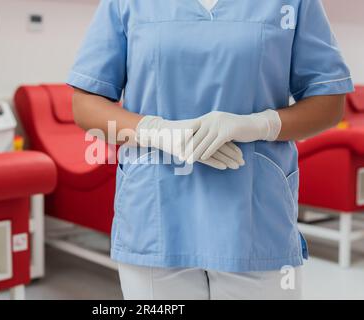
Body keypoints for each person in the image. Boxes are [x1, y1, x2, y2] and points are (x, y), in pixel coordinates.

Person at [67, 0, 353, 300]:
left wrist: (257, 125)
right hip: (155, 216)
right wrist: (157, 132)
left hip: (256, 217)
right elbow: (86, 103)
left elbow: (329, 100)